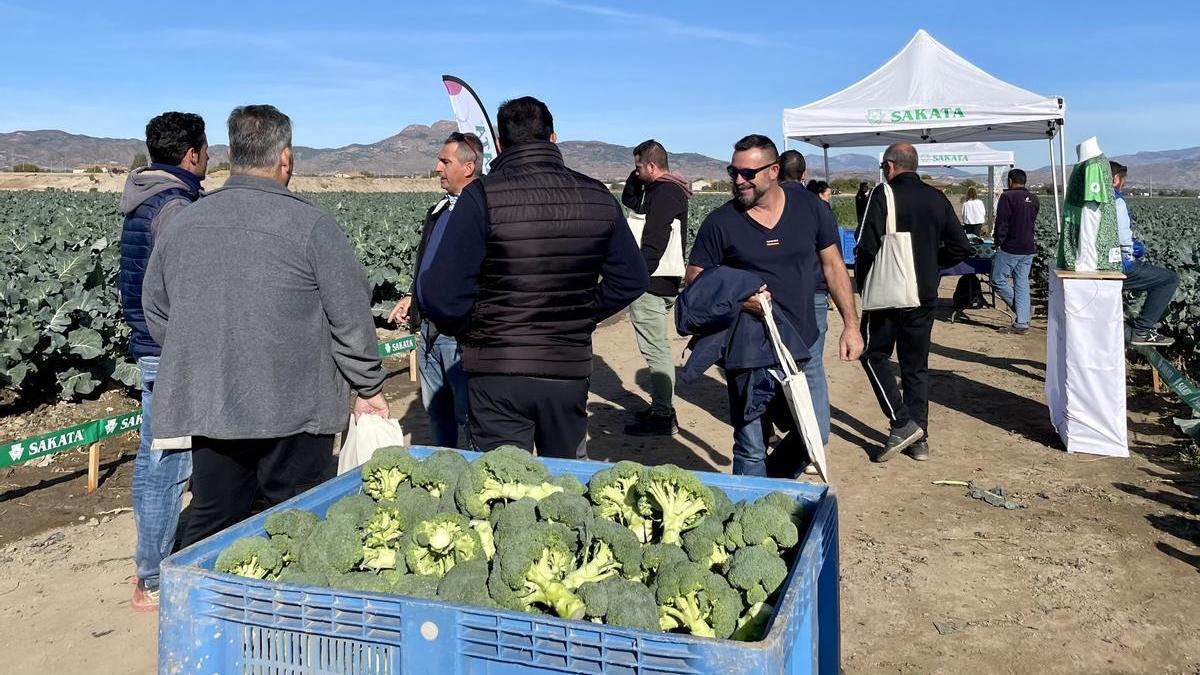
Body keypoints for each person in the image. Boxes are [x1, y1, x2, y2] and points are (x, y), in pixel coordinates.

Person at [143, 105, 389, 548]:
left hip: (213, 408)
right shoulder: (313, 226)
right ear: (286, 158)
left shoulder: (183, 224)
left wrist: (207, 356)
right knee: (297, 523)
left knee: (215, 519)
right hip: (297, 414)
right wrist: (369, 387)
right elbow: (350, 318)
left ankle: (203, 609)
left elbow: (159, 313)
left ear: (230, 155)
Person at [418, 96, 648, 458]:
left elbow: (438, 293)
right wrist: (579, 314)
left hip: (496, 372)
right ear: (553, 138)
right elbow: (633, 279)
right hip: (566, 369)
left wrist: (475, 327)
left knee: (503, 492)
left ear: (499, 145)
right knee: (565, 485)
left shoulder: (481, 197)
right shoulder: (597, 196)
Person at [686, 134, 862, 477]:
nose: (739, 181)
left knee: (815, 434)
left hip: (802, 342)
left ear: (773, 171)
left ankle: (774, 487)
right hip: (748, 346)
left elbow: (833, 266)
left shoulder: (811, 209)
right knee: (751, 444)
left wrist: (851, 326)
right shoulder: (721, 222)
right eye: (732, 172)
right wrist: (738, 297)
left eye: (748, 173)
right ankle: (752, 510)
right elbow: (696, 278)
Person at [119, 111, 208, 612]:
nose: (210, 158)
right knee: (168, 465)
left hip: (150, 347)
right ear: (191, 154)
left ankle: (150, 566)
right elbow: (186, 288)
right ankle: (152, 579)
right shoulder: (173, 207)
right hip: (169, 350)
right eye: (206, 150)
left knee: (154, 459)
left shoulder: (145, 195)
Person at [856, 143, 973, 462]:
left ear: (890, 166)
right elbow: (961, 247)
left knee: (873, 354)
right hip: (924, 294)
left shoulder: (883, 195)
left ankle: (902, 422)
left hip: (888, 293)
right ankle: (920, 440)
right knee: (916, 367)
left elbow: (865, 246)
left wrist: (865, 287)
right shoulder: (937, 198)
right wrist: (932, 264)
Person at [388, 132, 483, 447]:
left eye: (445, 161)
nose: (437, 167)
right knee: (436, 413)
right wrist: (413, 297)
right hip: (428, 332)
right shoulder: (440, 210)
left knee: (466, 416)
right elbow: (430, 264)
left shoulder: (483, 212)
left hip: (458, 337)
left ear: (468, 168)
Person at [620, 139, 690, 436]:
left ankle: (663, 415)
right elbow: (630, 201)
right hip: (665, 280)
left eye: (638, 167)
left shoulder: (664, 193)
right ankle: (662, 406)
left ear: (651, 165)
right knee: (657, 346)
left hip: (653, 282)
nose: (635, 172)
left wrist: (638, 275)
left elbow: (654, 239)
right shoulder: (668, 190)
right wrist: (635, 178)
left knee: (656, 350)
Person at [777, 151, 834, 455]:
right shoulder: (817, 206)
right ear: (804, 173)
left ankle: (789, 432)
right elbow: (832, 259)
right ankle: (817, 440)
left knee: (775, 367)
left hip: (777, 297)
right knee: (812, 367)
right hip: (814, 294)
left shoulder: (769, 204)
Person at [1112, 162, 1178, 346]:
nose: (1123, 184)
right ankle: (1142, 330)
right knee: (1169, 279)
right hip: (1117, 266)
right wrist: (1135, 251)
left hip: (1094, 264)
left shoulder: (1089, 200)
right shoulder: (1116, 202)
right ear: (1116, 179)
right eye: (1123, 180)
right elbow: (1124, 239)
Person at [990, 168, 1040, 334]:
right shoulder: (1034, 199)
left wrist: (998, 242)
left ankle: (1023, 313)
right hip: (1028, 248)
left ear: (1010, 181)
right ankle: (1022, 321)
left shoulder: (1007, 197)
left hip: (1010, 247)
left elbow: (1002, 223)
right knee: (1022, 282)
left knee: (998, 280)